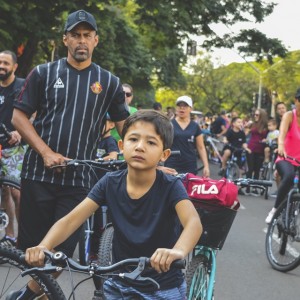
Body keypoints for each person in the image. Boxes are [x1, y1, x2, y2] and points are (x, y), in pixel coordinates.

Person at [9, 9, 129, 299]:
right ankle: (40, 293)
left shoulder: (109, 82)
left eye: (87, 35)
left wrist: (148, 158)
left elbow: (126, 126)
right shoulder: (43, 72)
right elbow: (18, 117)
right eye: (75, 34)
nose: (81, 41)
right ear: (65, 39)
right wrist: (46, 152)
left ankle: (26, 296)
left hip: (80, 179)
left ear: (96, 40)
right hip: (38, 172)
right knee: (33, 248)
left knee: (60, 252)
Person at [24, 110, 202, 299]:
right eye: (133, 139)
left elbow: (193, 223)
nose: (140, 147)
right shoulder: (110, 182)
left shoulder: (170, 185)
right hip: (118, 284)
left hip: (161, 288)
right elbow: (70, 220)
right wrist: (44, 245)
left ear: (164, 154)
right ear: (121, 146)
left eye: (151, 142)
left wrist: (177, 251)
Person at [0, 50, 25, 247]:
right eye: (0, 62)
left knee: (16, 192)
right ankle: (9, 235)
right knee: (4, 190)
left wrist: (19, 131)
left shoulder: (22, 86)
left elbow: (33, 113)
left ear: (14, 66)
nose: (2, 66)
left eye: (6, 63)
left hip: (16, 147)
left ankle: (23, 235)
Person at [265, 89, 300, 223]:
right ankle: (274, 210)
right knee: (289, 176)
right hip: (286, 157)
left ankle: (293, 212)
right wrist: (280, 145)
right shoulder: (289, 115)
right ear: (296, 101)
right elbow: (282, 134)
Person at [164, 95, 210, 176]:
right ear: (176, 108)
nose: (182, 108)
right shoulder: (169, 124)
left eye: (185, 106)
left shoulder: (195, 126)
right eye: (179, 106)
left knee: (188, 188)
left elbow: (201, 147)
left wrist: (206, 166)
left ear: (190, 109)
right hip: (172, 165)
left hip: (190, 165)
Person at [246, 108, 268, 182]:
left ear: (262, 116)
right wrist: (246, 126)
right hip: (250, 148)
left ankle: (255, 187)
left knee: (257, 169)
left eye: (257, 115)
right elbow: (244, 133)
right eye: (254, 114)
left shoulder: (266, 126)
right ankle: (247, 186)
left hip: (260, 149)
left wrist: (267, 139)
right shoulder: (252, 124)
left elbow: (271, 135)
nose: (255, 116)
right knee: (250, 168)